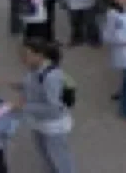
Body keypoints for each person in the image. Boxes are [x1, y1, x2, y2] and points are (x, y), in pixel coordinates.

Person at [18, 38, 76, 173]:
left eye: (26, 55)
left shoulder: (51, 76)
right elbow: (32, 86)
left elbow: (53, 107)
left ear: (40, 55)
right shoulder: (33, 70)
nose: (22, 58)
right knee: (47, 157)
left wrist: (23, 106)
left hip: (53, 126)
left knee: (60, 160)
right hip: (39, 122)